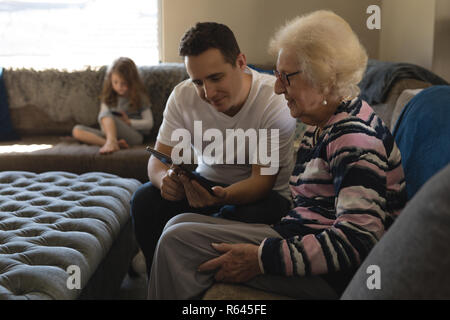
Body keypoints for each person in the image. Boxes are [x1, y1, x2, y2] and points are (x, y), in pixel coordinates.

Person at [148, 10, 407, 300]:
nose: (277, 87)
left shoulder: (354, 139)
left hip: (334, 276)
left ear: (322, 76)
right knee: (176, 226)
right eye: (276, 75)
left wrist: (261, 258)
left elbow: (358, 240)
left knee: (176, 241)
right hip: (303, 234)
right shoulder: (324, 123)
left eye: (286, 77)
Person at [131, 22, 297, 275]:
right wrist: (165, 180)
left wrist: (222, 197)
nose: (208, 93)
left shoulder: (271, 100)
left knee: (249, 213)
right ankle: (159, 275)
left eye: (216, 78)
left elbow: (262, 181)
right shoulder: (182, 96)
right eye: (197, 82)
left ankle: (191, 261)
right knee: (144, 199)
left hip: (263, 195)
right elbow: (158, 161)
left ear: (241, 63)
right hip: (205, 185)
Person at [72, 57, 154, 154]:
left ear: (132, 82)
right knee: (77, 130)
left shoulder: (140, 97)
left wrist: (129, 122)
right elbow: (102, 120)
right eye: (115, 82)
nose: (119, 87)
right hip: (110, 133)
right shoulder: (108, 97)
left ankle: (111, 142)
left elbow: (149, 123)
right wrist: (110, 126)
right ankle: (113, 143)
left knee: (107, 114)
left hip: (133, 135)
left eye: (123, 83)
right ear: (110, 80)